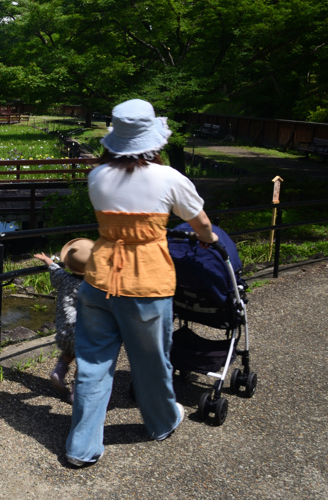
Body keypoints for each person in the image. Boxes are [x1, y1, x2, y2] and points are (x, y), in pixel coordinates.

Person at [65, 98, 218, 468]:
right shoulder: (169, 178)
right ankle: (162, 422)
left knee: (92, 364)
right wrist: (209, 240)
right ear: (152, 139)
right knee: (151, 363)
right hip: (146, 284)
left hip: (98, 280)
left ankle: (81, 446)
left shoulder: (96, 176)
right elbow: (202, 224)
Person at [34, 237, 93, 403]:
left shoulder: (64, 278)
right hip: (83, 332)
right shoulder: (92, 286)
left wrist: (46, 259)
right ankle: (76, 392)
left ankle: (58, 372)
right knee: (83, 363)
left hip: (64, 330)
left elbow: (54, 268)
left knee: (68, 353)